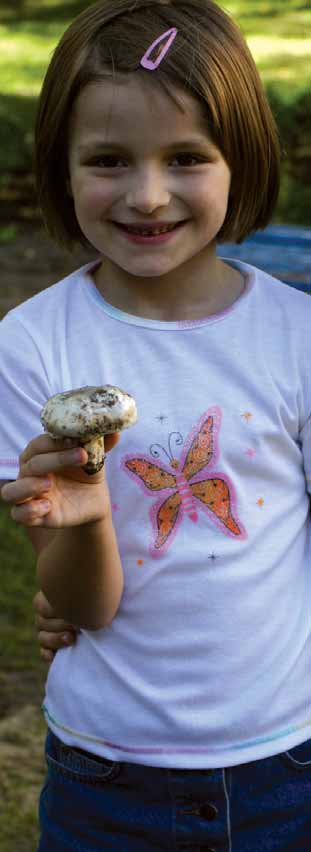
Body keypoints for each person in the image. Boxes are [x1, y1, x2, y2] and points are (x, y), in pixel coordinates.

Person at [1, 0, 310, 848]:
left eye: (185, 157)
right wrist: (87, 518)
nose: (146, 195)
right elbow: (83, 608)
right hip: (106, 776)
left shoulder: (296, 337)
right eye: (107, 159)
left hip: (286, 767)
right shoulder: (31, 346)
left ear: (239, 162)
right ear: (60, 168)